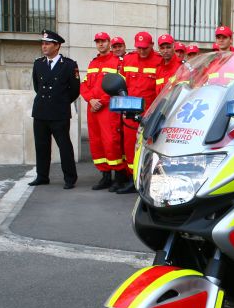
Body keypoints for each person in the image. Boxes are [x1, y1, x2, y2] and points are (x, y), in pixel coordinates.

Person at [29, 29, 80, 189]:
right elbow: (38, 86)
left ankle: (70, 178)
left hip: (59, 112)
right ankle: (42, 176)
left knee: (64, 146)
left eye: (47, 43)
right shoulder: (38, 64)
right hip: (41, 111)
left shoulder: (69, 65)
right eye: (43, 43)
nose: (44, 46)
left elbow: (75, 90)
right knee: (41, 146)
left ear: (57, 46)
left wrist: (61, 102)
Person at [118, 31, 163, 194]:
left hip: (150, 113)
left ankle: (149, 180)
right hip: (131, 111)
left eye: (145, 48)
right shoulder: (128, 59)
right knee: (130, 146)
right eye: (139, 48)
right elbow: (121, 84)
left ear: (151, 45)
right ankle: (133, 179)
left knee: (150, 147)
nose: (142, 51)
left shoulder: (158, 61)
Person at [80, 31, 123, 190]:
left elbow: (119, 85)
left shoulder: (117, 62)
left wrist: (101, 101)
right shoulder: (93, 63)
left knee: (111, 142)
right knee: (97, 143)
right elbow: (84, 84)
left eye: (103, 41)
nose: (100, 44)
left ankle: (118, 177)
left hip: (109, 109)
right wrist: (90, 99)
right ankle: (105, 176)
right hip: (93, 108)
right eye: (98, 41)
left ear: (109, 42)